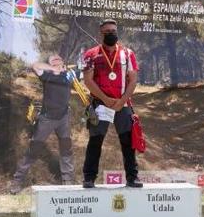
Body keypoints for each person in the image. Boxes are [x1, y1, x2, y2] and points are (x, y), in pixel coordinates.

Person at [81, 19, 142, 188]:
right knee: (95, 141)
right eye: (107, 31)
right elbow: (88, 81)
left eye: (113, 31)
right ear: (101, 33)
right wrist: (106, 99)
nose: (111, 34)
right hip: (100, 104)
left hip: (123, 105)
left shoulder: (128, 53)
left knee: (128, 142)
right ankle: (89, 178)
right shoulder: (91, 54)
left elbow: (133, 79)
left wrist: (122, 101)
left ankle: (132, 177)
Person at [10, 54, 76, 194]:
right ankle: (17, 181)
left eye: (59, 58)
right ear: (49, 64)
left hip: (63, 118)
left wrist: (66, 69)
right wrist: (53, 68)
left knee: (66, 149)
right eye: (53, 60)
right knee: (33, 150)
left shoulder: (68, 75)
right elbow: (35, 65)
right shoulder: (46, 75)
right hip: (47, 119)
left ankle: (68, 181)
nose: (57, 60)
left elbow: (81, 72)